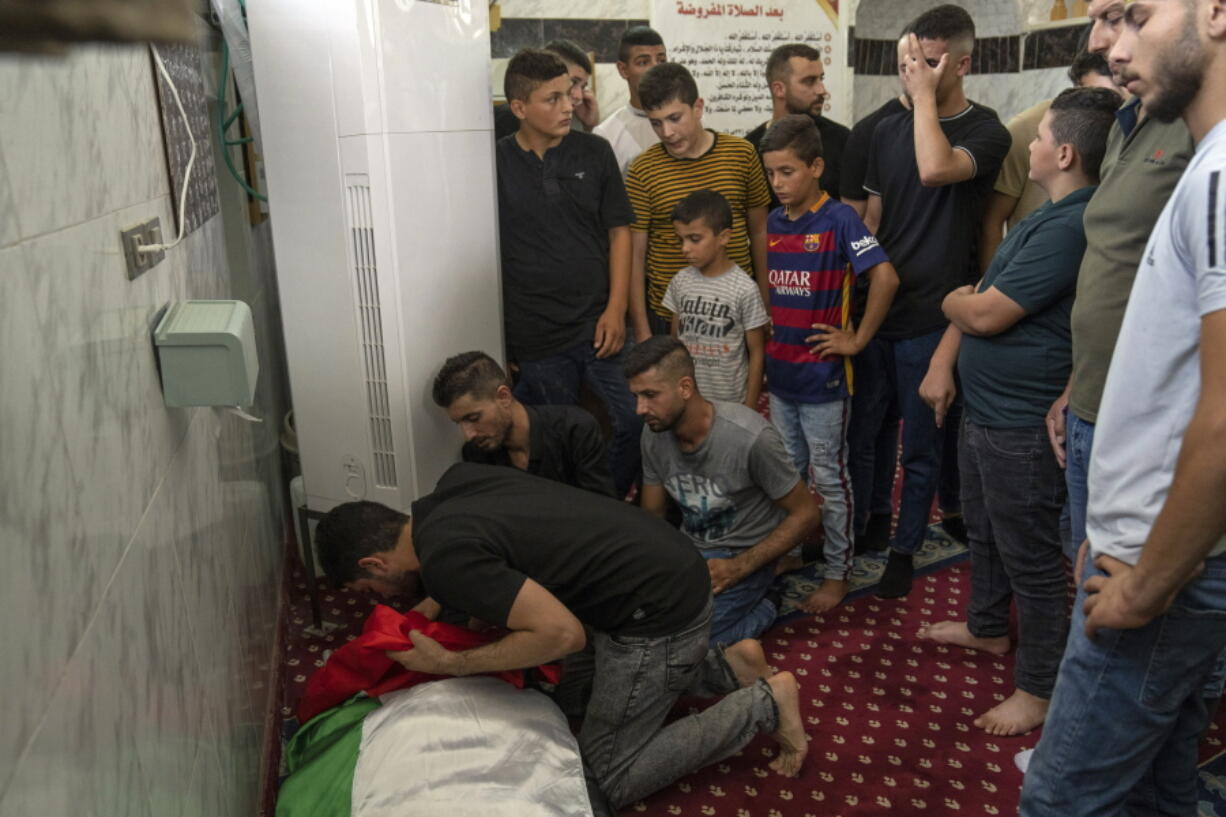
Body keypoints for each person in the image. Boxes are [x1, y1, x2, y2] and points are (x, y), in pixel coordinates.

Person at [314, 465, 809, 813]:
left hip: (656, 615)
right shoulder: (449, 489)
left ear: (374, 564)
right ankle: (728, 667)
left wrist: (450, 664)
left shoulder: (447, 561)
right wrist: (433, 603)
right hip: (659, 563)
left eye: (371, 590)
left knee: (608, 775)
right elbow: (485, 552)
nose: (382, 599)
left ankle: (764, 703)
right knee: (565, 694)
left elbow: (563, 635)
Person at [1020, 1, 1226, 812]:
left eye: (1132, 13)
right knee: (1154, 788)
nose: (1106, 40)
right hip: (1147, 541)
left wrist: (1145, 578)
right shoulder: (1198, 156)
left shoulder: (1218, 176)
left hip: (1164, 569)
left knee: (1060, 799)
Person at [917, 87, 1119, 737]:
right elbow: (985, 291)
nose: (1027, 144)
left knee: (1031, 558)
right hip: (988, 408)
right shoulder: (1047, 212)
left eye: (1038, 138)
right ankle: (985, 629)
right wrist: (957, 333)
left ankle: (1039, 685)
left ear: (1063, 152)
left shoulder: (1075, 224)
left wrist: (949, 305)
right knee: (984, 530)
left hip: (1022, 422)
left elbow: (984, 308)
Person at [860, 6, 1011, 598]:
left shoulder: (986, 129)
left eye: (925, 63)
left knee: (922, 443)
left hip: (934, 313)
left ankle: (905, 546)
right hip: (882, 304)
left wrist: (922, 100)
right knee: (871, 428)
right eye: (906, 62)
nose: (911, 74)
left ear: (962, 64)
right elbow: (871, 216)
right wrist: (866, 280)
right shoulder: (885, 128)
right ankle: (873, 523)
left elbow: (933, 168)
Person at [1045, 0, 1194, 564]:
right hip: (1093, 402)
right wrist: (1074, 386)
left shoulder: (1201, 133)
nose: (1103, 43)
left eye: (1126, 17)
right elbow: (1114, 267)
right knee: (1084, 576)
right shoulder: (1127, 125)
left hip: (1151, 427)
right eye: (1102, 23)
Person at [758, 114, 900, 613]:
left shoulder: (840, 218)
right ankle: (793, 550)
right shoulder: (774, 222)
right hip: (781, 376)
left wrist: (856, 340)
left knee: (829, 477)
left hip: (822, 379)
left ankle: (838, 572)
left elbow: (885, 278)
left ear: (817, 166)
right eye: (771, 173)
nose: (777, 184)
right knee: (788, 473)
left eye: (788, 172)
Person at [495, 49, 642, 498]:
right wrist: (503, 338)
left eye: (571, 93)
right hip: (536, 336)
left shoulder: (594, 151)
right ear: (519, 108)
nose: (569, 105)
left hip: (600, 325)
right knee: (553, 443)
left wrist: (617, 310)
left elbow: (621, 232)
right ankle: (575, 523)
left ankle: (609, 505)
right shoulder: (494, 163)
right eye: (553, 98)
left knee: (635, 419)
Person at [627, 337, 821, 646]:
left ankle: (767, 604)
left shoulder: (749, 437)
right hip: (690, 549)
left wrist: (739, 567)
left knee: (680, 645)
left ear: (685, 388)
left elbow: (807, 513)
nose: (640, 409)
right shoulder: (654, 433)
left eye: (650, 395)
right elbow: (653, 515)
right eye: (636, 396)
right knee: (628, 622)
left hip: (743, 557)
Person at [626, 62, 772, 339]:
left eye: (674, 118)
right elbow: (635, 256)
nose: (666, 132)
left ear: (698, 107)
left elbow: (760, 231)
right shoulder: (642, 170)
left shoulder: (741, 155)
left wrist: (764, 303)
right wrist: (643, 330)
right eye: (656, 122)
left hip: (735, 312)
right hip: (669, 318)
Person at [977, 49, 1125, 272]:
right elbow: (991, 222)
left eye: (1119, 100)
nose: (1107, 109)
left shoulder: (1128, 129)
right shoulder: (1026, 130)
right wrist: (990, 286)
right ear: (1078, 89)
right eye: (1100, 95)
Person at [432, 351, 616, 497]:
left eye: (473, 418)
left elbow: (604, 512)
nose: (469, 434)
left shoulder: (575, 430)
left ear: (504, 397)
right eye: (459, 423)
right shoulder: (477, 454)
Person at [662, 189, 769, 405]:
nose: (685, 248)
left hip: (730, 404)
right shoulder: (680, 282)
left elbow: (757, 353)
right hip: (689, 402)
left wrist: (748, 409)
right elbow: (676, 342)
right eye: (680, 239)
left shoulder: (744, 289)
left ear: (724, 237)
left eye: (694, 239)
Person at [744, 43, 851, 209]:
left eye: (821, 79)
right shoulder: (749, 150)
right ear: (779, 89)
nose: (821, 90)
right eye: (809, 81)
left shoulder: (843, 140)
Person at [592, 26, 668, 175]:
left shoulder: (690, 120)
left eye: (661, 60)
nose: (655, 69)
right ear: (623, 70)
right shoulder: (607, 134)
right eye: (643, 62)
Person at [494, 40, 601, 140]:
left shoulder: (571, 119)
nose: (579, 96)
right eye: (573, 82)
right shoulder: (505, 121)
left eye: (583, 87)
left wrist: (589, 127)